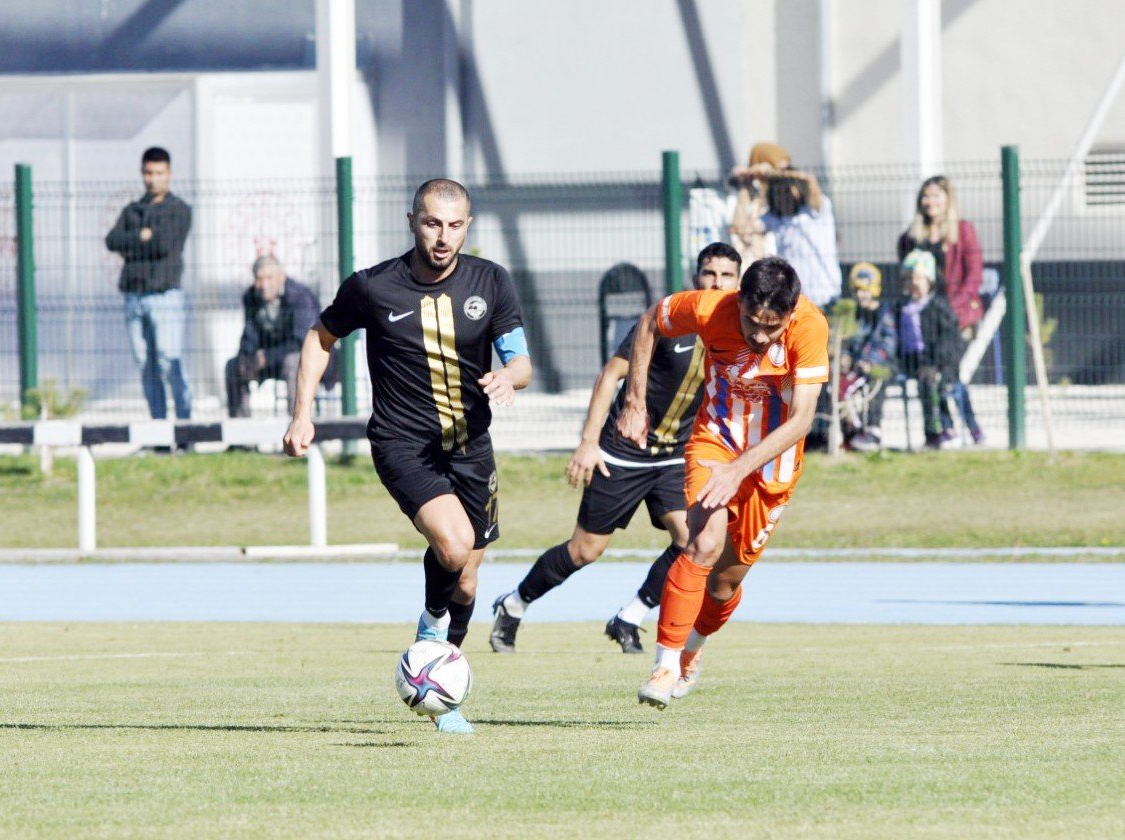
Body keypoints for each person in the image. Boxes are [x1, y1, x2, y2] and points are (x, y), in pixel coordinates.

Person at [283, 179, 531, 734]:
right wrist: (302, 413)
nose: (443, 237)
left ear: (468, 226)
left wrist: (508, 378)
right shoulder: (374, 287)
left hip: (471, 447)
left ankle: (443, 681)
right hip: (404, 445)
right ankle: (430, 633)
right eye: (432, 223)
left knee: (467, 580)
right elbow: (320, 337)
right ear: (412, 221)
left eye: (455, 225)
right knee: (454, 544)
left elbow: (521, 360)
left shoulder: (491, 280)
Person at [489, 243, 743, 655]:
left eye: (726, 275)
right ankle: (514, 603)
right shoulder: (670, 318)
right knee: (585, 550)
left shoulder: (738, 330)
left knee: (692, 541)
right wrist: (588, 443)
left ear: (737, 282)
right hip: (624, 452)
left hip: (676, 456)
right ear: (696, 276)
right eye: (709, 273)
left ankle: (629, 617)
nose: (716, 283)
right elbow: (610, 375)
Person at [616, 256, 829, 710]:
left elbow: (802, 419)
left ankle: (692, 651)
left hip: (773, 465)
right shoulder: (709, 308)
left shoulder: (810, 326)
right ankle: (664, 665)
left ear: (791, 313)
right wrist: (635, 400)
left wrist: (740, 470)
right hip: (716, 440)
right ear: (739, 302)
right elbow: (650, 321)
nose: (760, 336)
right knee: (702, 543)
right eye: (752, 322)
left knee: (723, 585)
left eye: (772, 328)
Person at [105, 146, 193, 423]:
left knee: (169, 359)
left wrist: (136, 243)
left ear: (169, 174)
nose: (152, 179)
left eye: (158, 173)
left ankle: (185, 427)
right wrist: (142, 237)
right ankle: (158, 430)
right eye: (148, 173)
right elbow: (112, 240)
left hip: (165, 297)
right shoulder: (133, 210)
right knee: (146, 365)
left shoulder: (179, 210)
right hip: (134, 296)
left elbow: (164, 244)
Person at [897, 175, 984, 444]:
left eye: (935, 195)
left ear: (947, 199)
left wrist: (953, 312)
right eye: (925, 196)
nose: (929, 201)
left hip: (956, 317)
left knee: (947, 371)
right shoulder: (913, 236)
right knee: (928, 371)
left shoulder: (963, 231)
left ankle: (971, 426)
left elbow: (974, 276)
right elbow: (907, 272)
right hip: (926, 319)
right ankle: (942, 427)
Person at [728, 142, 841, 308]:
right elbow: (741, 229)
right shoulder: (775, 218)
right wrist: (744, 189)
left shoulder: (815, 211)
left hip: (826, 299)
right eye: (778, 191)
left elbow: (809, 180)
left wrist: (771, 173)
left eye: (788, 189)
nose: (784, 195)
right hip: (795, 303)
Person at [225, 255, 332, 417]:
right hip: (270, 360)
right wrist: (246, 357)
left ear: (282, 277)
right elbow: (249, 335)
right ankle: (240, 427)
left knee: (294, 362)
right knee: (234, 366)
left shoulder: (300, 297)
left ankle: (299, 422)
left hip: (307, 359)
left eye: (269, 278)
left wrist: (267, 357)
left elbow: (303, 341)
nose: (264, 285)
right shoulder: (251, 297)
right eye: (259, 279)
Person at [894, 250, 964, 450]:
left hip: (938, 362)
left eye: (917, 279)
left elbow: (948, 340)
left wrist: (935, 364)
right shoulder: (901, 308)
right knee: (925, 383)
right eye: (908, 279)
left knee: (934, 384)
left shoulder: (938, 307)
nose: (913, 283)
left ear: (929, 281)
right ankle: (932, 433)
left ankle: (945, 428)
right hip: (911, 362)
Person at [841, 263, 898, 452]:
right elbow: (848, 341)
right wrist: (846, 357)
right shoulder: (853, 314)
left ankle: (873, 429)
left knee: (875, 380)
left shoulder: (885, 313)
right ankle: (851, 432)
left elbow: (888, 343)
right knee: (840, 384)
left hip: (882, 365)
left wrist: (871, 361)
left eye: (864, 290)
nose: (860, 295)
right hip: (857, 366)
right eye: (856, 290)